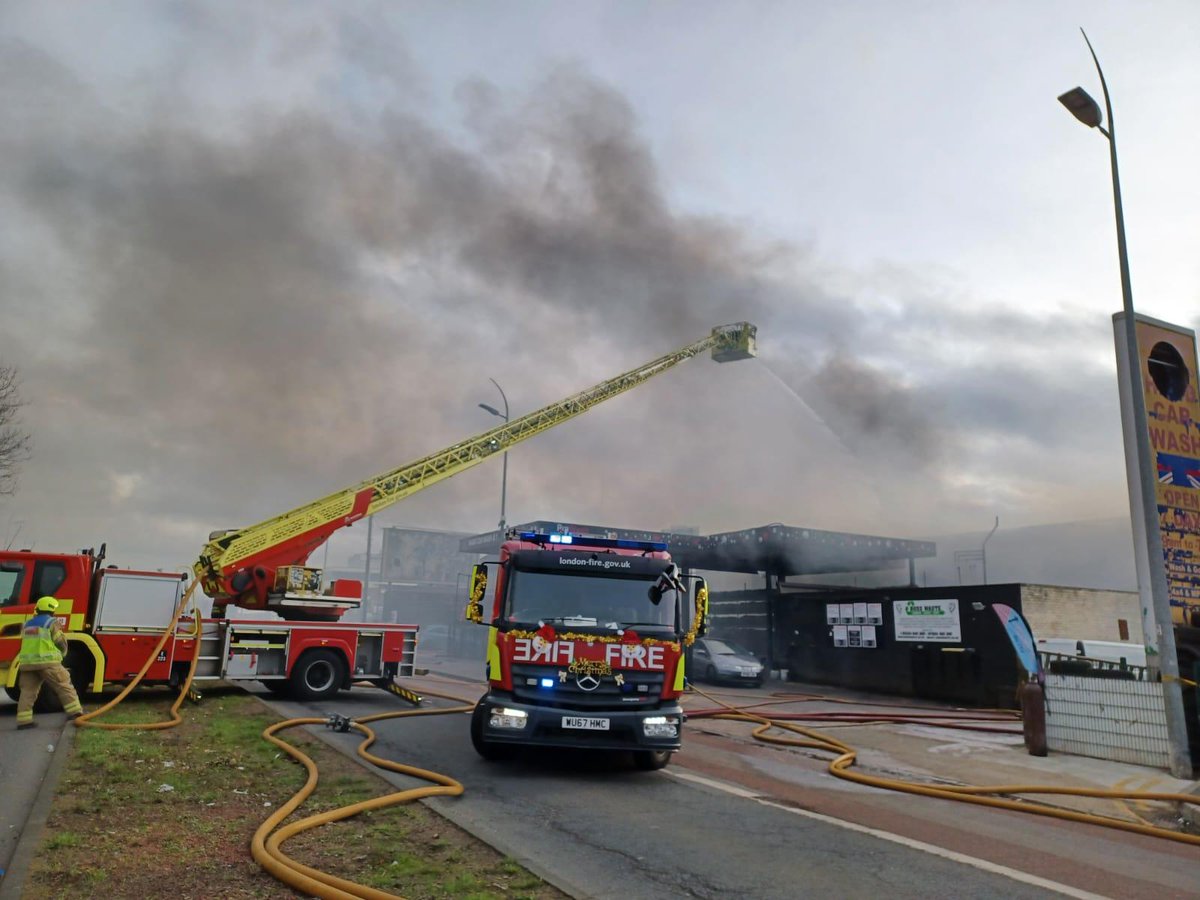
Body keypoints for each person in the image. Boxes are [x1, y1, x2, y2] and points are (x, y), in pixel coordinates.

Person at [15, 595, 84, 730]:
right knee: (64, 685)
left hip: (28, 664)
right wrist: (63, 654)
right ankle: (75, 713)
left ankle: (24, 721)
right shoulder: (51, 623)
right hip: (48, 662)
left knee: (27, 692)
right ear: (52, 609)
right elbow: (60, 642)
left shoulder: (28, 624)